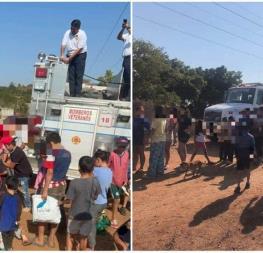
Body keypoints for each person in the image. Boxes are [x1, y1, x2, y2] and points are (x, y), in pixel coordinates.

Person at [34, 132, 71, 248]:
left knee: (43, 211)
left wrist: (44, 190)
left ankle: (40, 239)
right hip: (62, 185)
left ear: (50, 143)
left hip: (51, 186)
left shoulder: (50, 154)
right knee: (56, 212)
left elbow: (49, 173)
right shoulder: (67, 153)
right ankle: (51, 239)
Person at [66, 156, 101, 251]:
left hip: (74, 214)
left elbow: (69, 200)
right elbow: (96, 196)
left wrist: (62, 201)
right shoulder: (96, 182)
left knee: (70, 236)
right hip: (88, 215)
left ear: (79, 168)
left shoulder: (74, 182)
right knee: (83, 237)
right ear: (92, 168)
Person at [1, 136, 33, 212]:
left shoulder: (16, 153)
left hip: (24, 174)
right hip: (19, 172)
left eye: (5, 146)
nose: (4, 147)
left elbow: (11, 166)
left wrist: (3, 162)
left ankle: (28, 206)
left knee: (25, 190)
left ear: (9, 145)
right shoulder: (14, 150)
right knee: (16, 187)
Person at [89, 150, 112, 250]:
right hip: (103, 201)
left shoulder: (95, 170)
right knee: (95, 222)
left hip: (95, 202)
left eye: (95, 160)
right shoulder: (110, 171)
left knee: (91, 226)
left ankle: (91, 247)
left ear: (98, 160)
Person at [60, 19, 87, 97]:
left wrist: (69, 59)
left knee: (78, 74)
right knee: (71, 75)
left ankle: (78, 93)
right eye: (71, 28)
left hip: (80, 55)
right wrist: (62, 55)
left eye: (74, 29)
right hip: (70, 54)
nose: (72, 30)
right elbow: (63, 44)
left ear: (78, 28)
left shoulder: (82, 34)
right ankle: (72, 93)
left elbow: (79, 49)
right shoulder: (67, 32)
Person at [109, 137, 129, 229]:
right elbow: (108, 166)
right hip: (112, 181)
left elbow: (125, 168)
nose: (122, 148)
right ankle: (113, 218)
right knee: (116, 199)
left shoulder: (127, 154)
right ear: (117, 145)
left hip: (122, 181)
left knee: (121, 196)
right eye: (121, 146)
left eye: (124, 146)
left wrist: (125, 179)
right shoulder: (112, 154)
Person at [0, 176, 22, 250]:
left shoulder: (2, 196)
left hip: (2, 224)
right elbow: (19, 211)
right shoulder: (18, 198)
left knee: (3, 238)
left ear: (6, 186)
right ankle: (9, 247)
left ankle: (4, 248)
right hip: (12, 224)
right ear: (16, 187)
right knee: (10, 236)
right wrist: (18, 220)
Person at [234, 124, 255, 194]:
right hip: (247, 155)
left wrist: (236, 156)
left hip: (240, 155)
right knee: (247, 170)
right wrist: (251, 158)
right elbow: (252, 149)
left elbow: (236, 147)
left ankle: (238, 186)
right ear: (248, 129)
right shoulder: (251, 137)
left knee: (239, 171)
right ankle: (248, 183)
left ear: (242, 129)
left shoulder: (238, 136)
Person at [148, 106, 167, 178]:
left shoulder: (156, 120)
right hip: (163, 139)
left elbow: (152, 130)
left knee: (154, 157)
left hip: (156, 140)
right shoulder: (164, 119)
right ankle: (160, 172)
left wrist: (148, 138)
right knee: (161, 157)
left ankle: (152, 174)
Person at [133, 104, 150, 173]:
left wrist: (146, 138)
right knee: (135, 153)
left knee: (141, 153)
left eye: (143, 111)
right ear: (137, 111)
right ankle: (134, 166)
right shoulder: (133, 119)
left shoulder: (144, 119)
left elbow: (147, 130)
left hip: (141, 139)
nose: (143, 112)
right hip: (134, 138)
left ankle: (141, 167)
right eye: (141, 111)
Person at [117, 19, 131, 100]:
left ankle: (127, 96)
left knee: (129, 77)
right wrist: (122, 28)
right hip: (125, 59)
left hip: (130, 58)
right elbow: (118, 37)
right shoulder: (127, 35)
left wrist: (127, 27)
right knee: (126, 78)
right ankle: (124, 96)